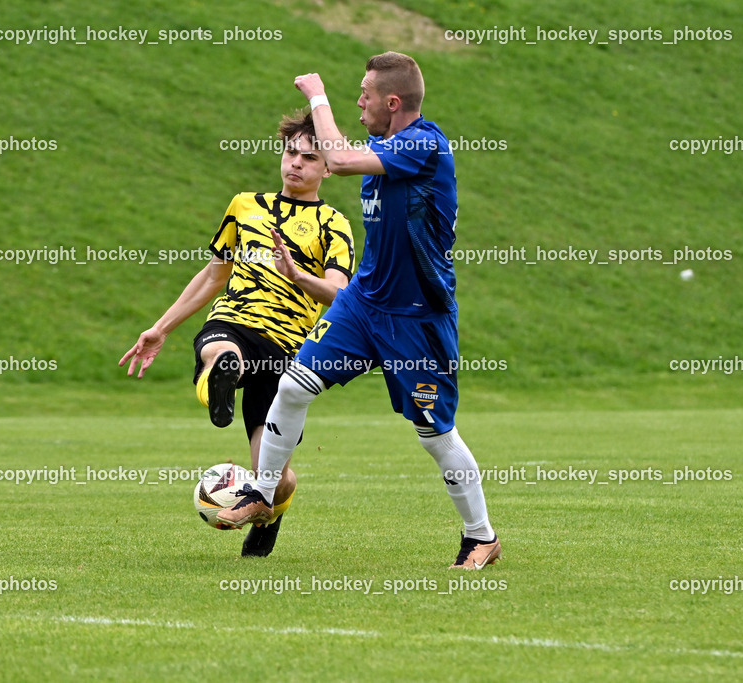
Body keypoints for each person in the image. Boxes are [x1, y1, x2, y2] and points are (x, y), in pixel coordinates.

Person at [218, 52, 502, 570]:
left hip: (417, 317)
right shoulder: (385, 146)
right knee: (292, 385)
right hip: (363, 304)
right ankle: (261, 492)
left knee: (435, 434)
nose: (359, 102)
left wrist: (317, 95)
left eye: (365, 94)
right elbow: (348, 157)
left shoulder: (424, 144)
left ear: (392, 103)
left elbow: (340, 160)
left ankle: (481, 536)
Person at [120, 109, 354, 557]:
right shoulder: (245, 206)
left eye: (310, 156)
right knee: (221, 348)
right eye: (290, 152)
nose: (296, 163)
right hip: (236, 318)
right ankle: (221, 376)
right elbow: (213, 276)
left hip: (288, 348)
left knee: (275, 475)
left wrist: (298, 275)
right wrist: (160, 328)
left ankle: (266, 518)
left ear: (328, 167)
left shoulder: (333, 224)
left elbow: (338, 295)